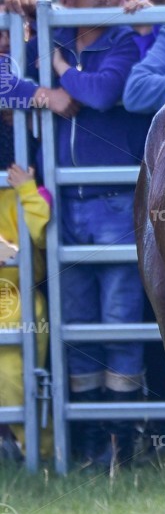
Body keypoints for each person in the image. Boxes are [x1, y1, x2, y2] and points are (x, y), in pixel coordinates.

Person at [5, 0, 147, 466]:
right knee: (78, 319)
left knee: (120, 318)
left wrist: (61, 71)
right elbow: (3, 82)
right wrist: (44, 95)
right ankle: (87, 442)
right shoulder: (48, 35)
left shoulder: (123, 39)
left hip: (114, 201)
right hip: (62, 200)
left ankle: (120, 442)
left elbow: (104, 92)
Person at [0, 117, 50, 462]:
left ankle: (38, 451)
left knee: (14, 378)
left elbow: (44, 237)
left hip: (17, 300)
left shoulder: (26, 191)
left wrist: (28, 191)